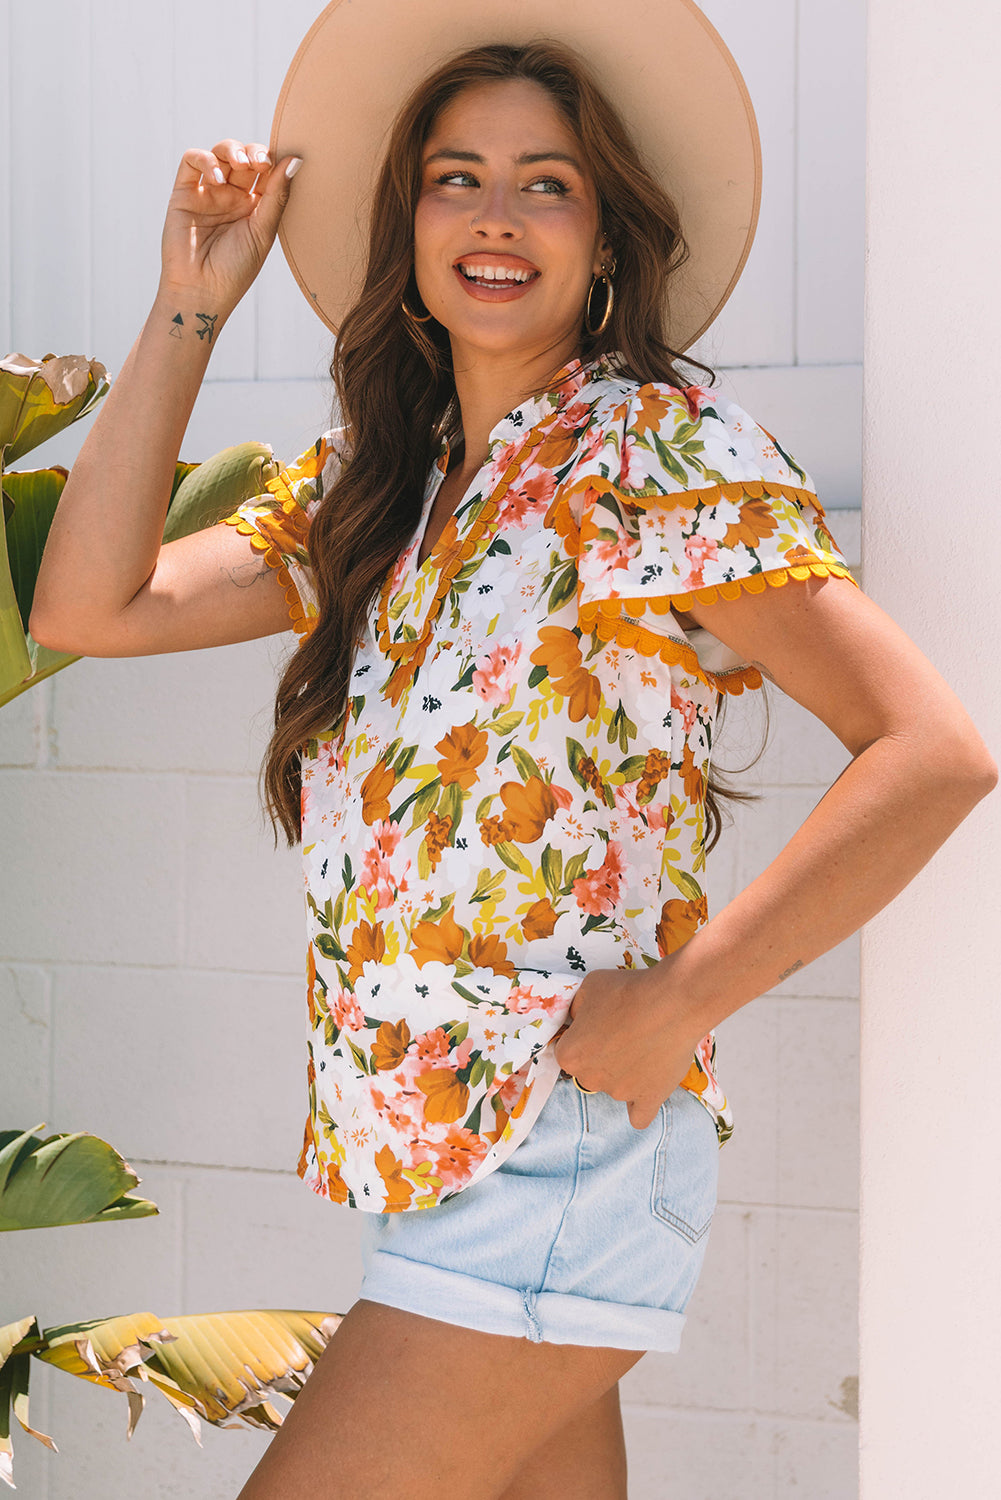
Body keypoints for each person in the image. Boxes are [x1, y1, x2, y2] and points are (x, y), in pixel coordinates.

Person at [29, 5, 996, 1498]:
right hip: (434, 1156)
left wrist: (681, 996)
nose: (496, 214)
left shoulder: (646, 449)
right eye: (454, 177)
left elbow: (929, 750)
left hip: (557, 1149)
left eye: (547, 182)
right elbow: (90, 603)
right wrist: (191, 301)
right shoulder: (380, 491)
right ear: (405, 224)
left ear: (606, 236)